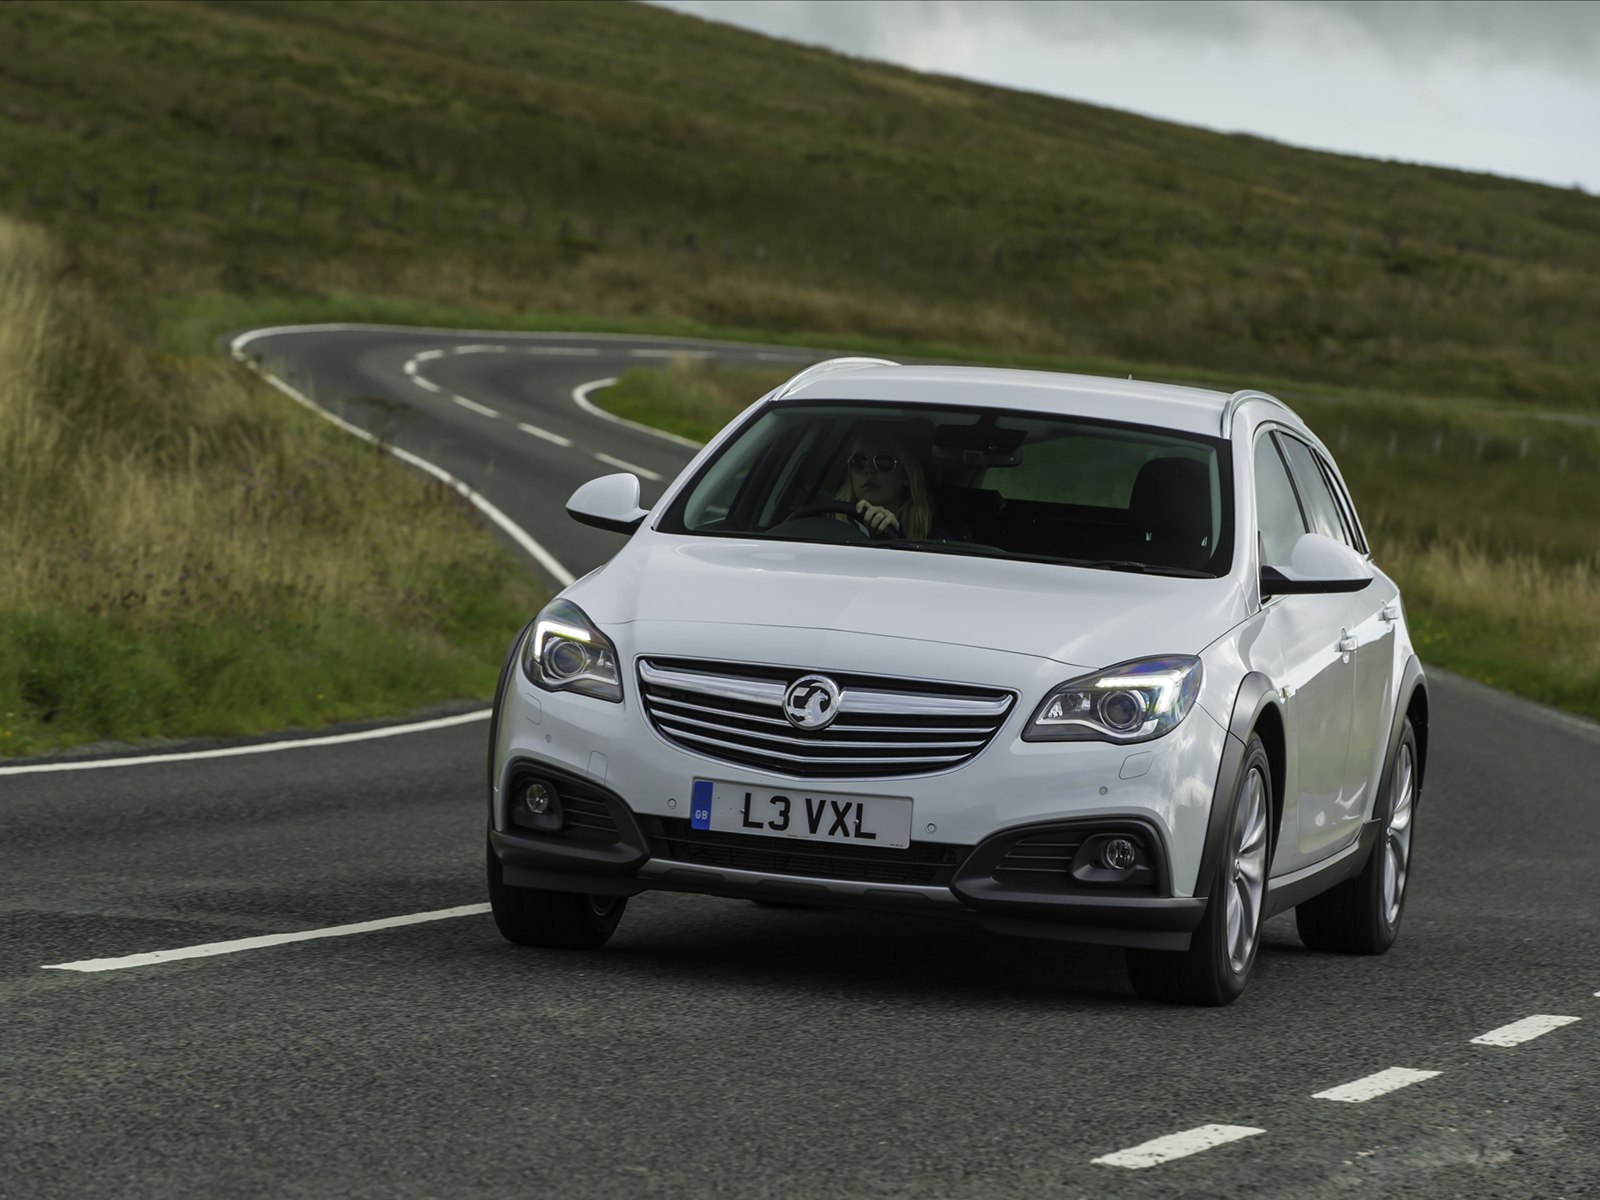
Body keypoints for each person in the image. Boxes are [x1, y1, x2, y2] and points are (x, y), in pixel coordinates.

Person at [836, 423, 937, 539]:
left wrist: (897, 536)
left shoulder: (935, 541)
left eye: (883, 462)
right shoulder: (828, 525)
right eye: (859, 461)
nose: (868, 470)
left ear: (906, 475)